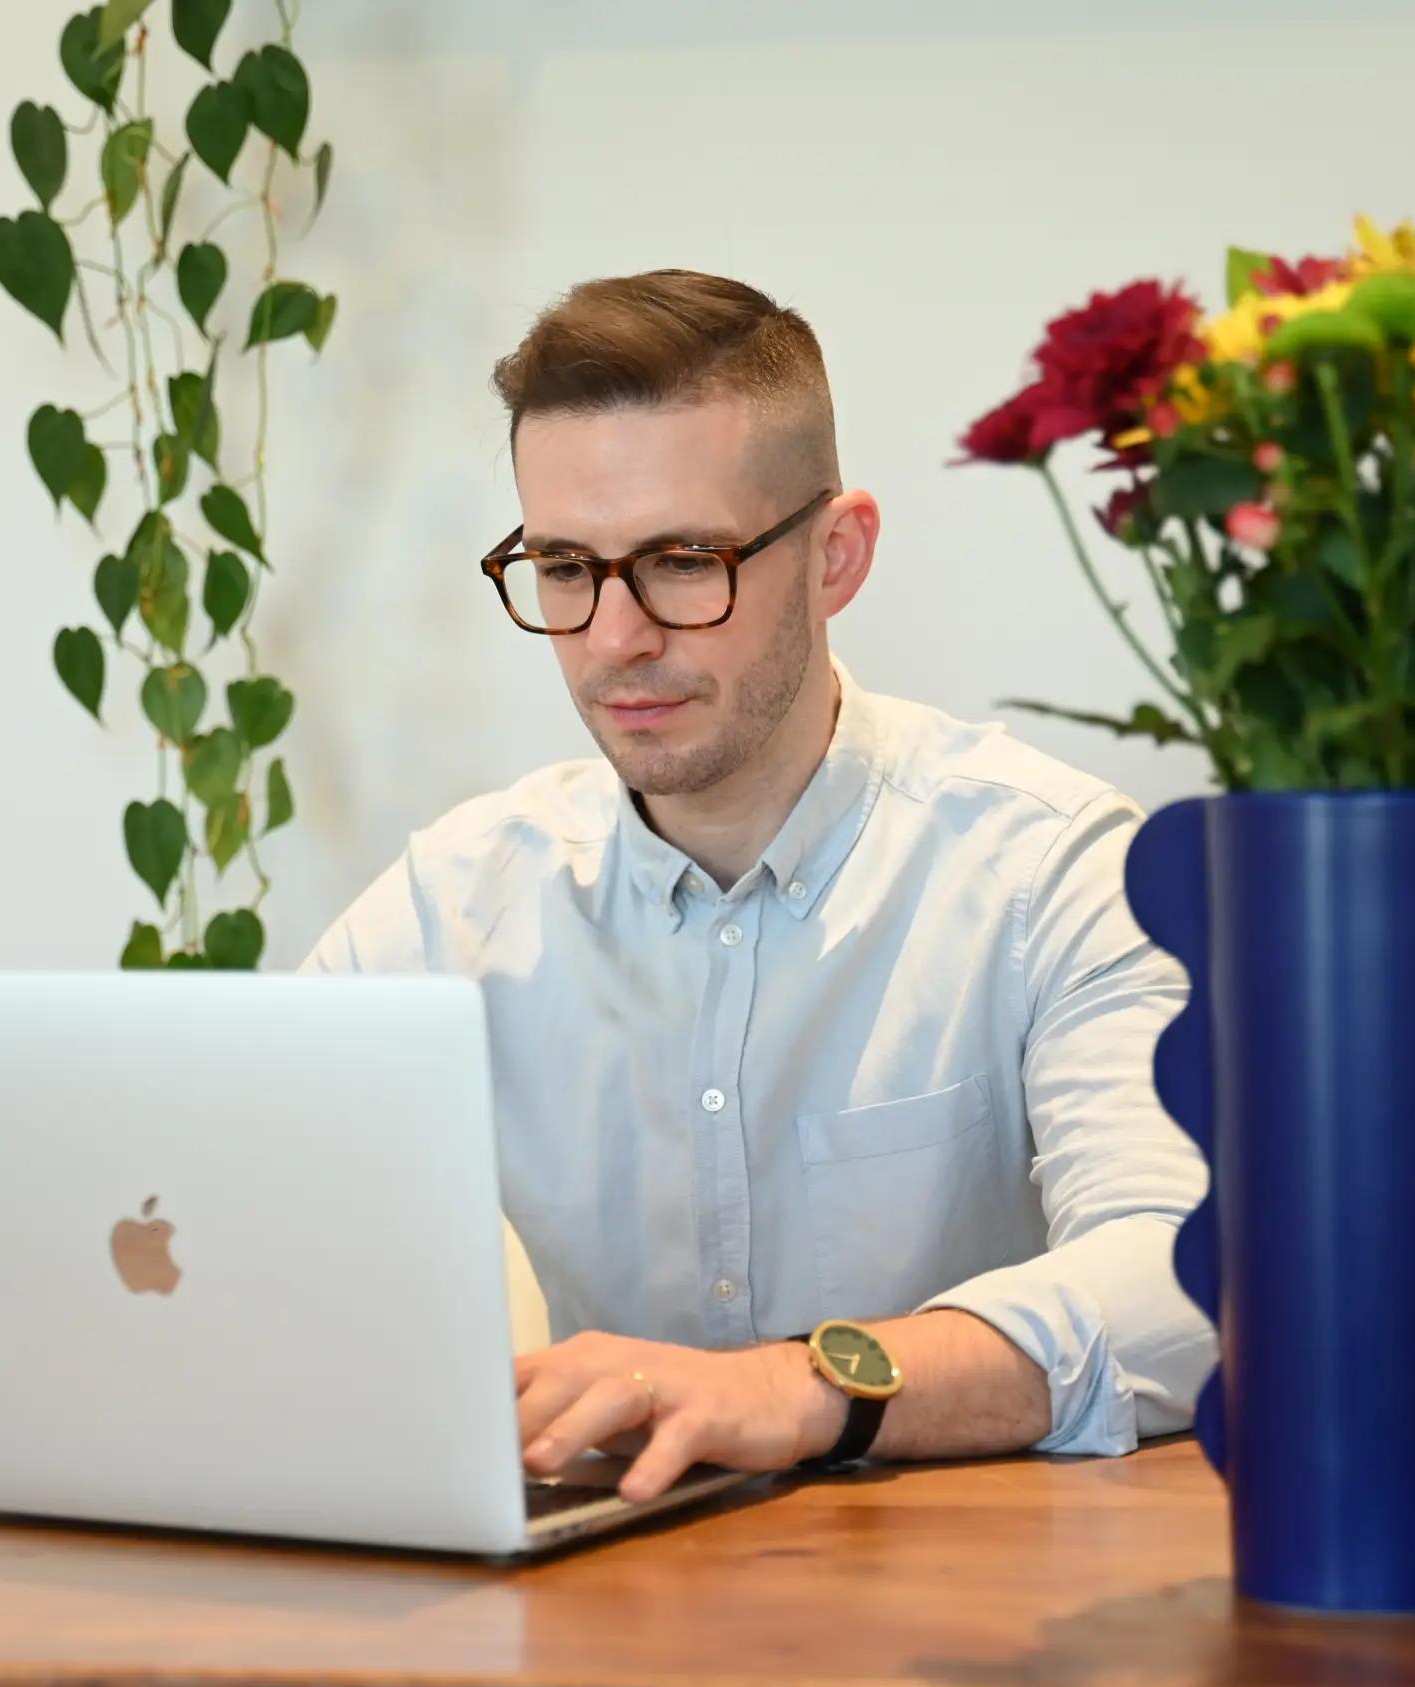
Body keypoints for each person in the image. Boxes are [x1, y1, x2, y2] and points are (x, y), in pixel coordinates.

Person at [302, 269, 1212, 1502]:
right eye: (564, 566)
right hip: (577, 1616)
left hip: (957, 1634)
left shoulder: (1049, 868)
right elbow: (239, 1220)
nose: (615, 637)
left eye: (682, 559)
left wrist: (805, 1386)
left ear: (836, 554)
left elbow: (1186, 1284)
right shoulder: (450, 906)